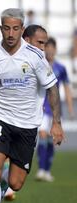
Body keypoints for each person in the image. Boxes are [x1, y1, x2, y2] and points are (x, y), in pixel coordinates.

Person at [0, 8, 64, 203]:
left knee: (15, 182)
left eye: (16, 29)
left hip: (27, 124)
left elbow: (52, 89)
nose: (11, 34)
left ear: (22, 29)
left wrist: (57, 122)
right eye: (7, 28)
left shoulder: (35, 56)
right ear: (1, 28)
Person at [36, 37, 75, 182]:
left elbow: (66, 88)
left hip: (55, 109)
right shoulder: (40, 66)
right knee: (43, 135)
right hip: (42, 107)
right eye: (48, 48)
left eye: (52, 48)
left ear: (55, 50)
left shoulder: (61, 68)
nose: (50, 51)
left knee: (54, 140)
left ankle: (47, 170)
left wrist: (70, 108)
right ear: (45, 49)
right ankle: (41, 169)